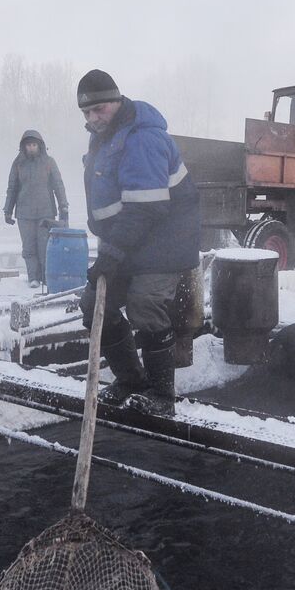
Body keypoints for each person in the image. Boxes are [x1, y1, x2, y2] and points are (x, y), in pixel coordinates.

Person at [77, 69, 201, 415]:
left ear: (117, 101)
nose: (92, 118)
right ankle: (131, 379)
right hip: (130, 240)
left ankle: (162, 395)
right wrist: (107, 243)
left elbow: (145, 209)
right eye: (86, 112)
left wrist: (113, 253)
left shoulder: (142, 138)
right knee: (93, 305)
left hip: (165, 237)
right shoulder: (105, 136)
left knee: (144, 303)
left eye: (99, 109)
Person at [3, 129, 69, 288]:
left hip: (45, 212)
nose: (31, 148)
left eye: (34, 145)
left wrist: (63, 206)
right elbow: (12, 187)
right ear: (23, 147)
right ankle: (33, 278)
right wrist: (7, 210)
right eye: (28, 145)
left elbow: (58, 185)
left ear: (40, 146)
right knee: (29, 247)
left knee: (44, 246)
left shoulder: (49, 162)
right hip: (24, 213)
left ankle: (47, 277)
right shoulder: (18, 164)